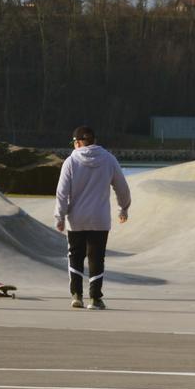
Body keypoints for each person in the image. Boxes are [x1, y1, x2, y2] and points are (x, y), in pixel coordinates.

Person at [53, 125, 131, 310]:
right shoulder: (109, 159)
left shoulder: (71, 162)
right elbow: (122, 187)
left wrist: (60, 216)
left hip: (76, 219)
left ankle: (77, 296)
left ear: (78, 143)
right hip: (100, 218)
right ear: (94, 141)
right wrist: (123, 208)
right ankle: (95, 299)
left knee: (75, 255)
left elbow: (62, 193)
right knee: (97, 257)